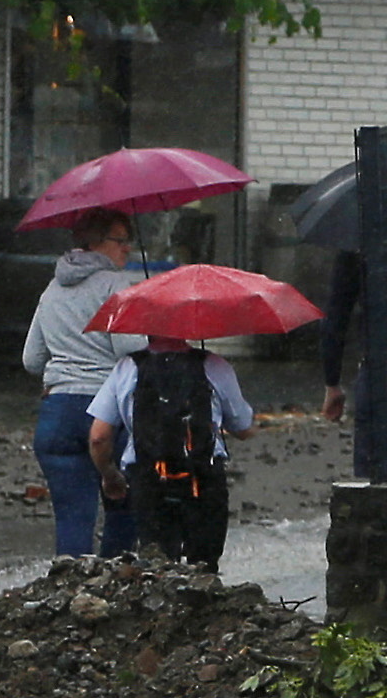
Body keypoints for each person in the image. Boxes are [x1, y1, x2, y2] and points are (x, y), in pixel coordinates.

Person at [18, 210, 146, 561]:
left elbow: (32, 359)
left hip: (57, 415)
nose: (127, 249)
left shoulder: (52, 288)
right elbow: (129, 349)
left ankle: (71, 597)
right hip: (109, 413)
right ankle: (112, 589)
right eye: (120, 241)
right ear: (94, 242)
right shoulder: (115, 285)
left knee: (72, 516)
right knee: (125, 507)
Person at [85, 334, 255, 571]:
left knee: (157, 564)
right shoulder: (215, 365)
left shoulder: (127, 367)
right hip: (203, 478)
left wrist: (109, 475)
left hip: (148, 478)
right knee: (205, 565)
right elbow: (244, 429)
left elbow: (98, 437)